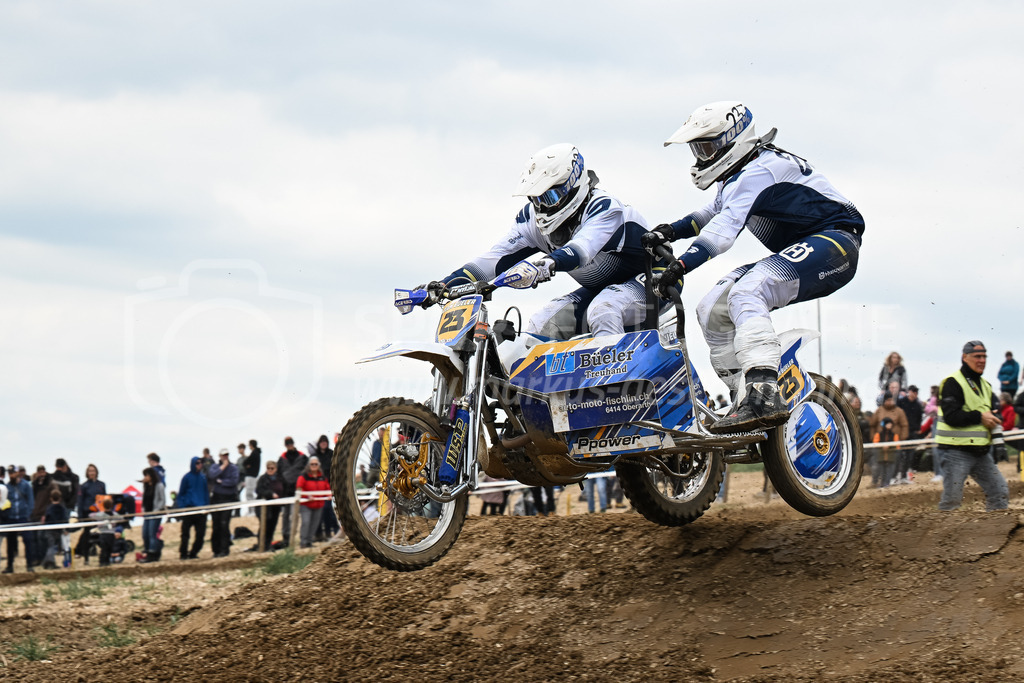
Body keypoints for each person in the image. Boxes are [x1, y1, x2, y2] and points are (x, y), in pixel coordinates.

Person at [651, 101, 864, 433]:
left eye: (707, 146)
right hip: (805, 247)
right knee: (711, 308)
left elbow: (721, 233)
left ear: (734, 139)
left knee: (749, 291)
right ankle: (745, 397)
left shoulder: (758, 171)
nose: (702, 156)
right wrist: (669, 231)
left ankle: (764, 391)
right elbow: (711, 213)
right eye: (698, 148)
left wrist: (681, 265)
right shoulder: (740, 174)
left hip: (836, 242)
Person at [421, 143, 653, 340]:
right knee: (542, 322)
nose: (542, 207)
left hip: (653, 281)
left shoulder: (603, 208)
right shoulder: (532, 220)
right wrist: (444, 284)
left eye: (549, 197)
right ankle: (543, 393)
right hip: (599, 289)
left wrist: (544, 265)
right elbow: (492, 261)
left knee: (604, 310)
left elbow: (580, 250)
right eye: (536, 198)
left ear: (573, 185)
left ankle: (615, 389)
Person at [935, 341, 1009, 511]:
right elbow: (951, 416)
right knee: (951, 501)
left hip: (981, 452)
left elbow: (995, 415)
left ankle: (994, 532)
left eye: (984, 356)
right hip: (955, 451)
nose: (982, 360)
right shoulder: (952, 383)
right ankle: (940, 537)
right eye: (977, 356)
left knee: (1000, 492)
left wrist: (998, 443)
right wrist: (980, 416)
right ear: (964, 357)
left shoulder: (986, 386)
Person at [869, 392, 908, 488]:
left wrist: (901, 439)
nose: (889, 402)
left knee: (892, 464)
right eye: (887, 400)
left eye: (891, 400)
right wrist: (874, 438)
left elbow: (904, 426)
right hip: (880, 443)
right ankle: (875, 481)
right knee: (879, 465)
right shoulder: (879, 411)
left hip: (894, 442)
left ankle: (889, 481)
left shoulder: (899, 411)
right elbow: (872, 425)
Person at [175, 456, 210, 560]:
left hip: (201, 510)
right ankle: (183, 553)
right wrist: (182, 507)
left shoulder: (203, 478)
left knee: (200, 534)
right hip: (189, 509)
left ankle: (194, 552)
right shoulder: (186, 477)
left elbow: (206, 493)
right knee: (185, 534)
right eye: (198, 463)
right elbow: (181, 494)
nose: (200, 465)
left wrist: (207, 507)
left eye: (201, 463)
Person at [208, 448, 239, 558]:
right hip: (216, 498)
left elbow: (233, 481)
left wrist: (221, 481)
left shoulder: (233, 468)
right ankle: (216, 550)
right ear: (220, 456)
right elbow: (212, 475)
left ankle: (224, 549)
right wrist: (223, 467)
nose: (225, 457)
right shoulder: (215, 467)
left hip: (228, 498)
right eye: (223, 455)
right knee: (216, 524)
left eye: (227, 455)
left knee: (224, 523)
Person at [3, 466, 35, 573]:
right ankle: (10, 566)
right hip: (11, 518)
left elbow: (31, 501)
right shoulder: (7, 487)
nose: (11, 475)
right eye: (10, 473)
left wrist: (28, 515)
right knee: (10, 543)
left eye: (13, 472)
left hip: (23, 517)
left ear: (17, 473)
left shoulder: (26, 485)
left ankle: (29, 565)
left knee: (27, 541)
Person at [309, 434, 340, 542]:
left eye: (325, 441)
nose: (323, 443)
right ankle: (318, 534)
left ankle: (331, 531)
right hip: (317, 486)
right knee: (318, 510)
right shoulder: (314, 456)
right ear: (319, 443)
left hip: (329, 485)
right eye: (321, 441)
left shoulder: (332, 453)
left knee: (328, 509)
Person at [278, 437, 308, 545]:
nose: (289, 445)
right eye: (287, 444)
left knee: (298, 515)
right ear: (285, 445)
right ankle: (286, 537)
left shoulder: (302, 457)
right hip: (286, 491)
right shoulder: (282, 458)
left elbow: (307, 471)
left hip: (299, 490)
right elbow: (279, 475)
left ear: (293, 444)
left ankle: (299, 538)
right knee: (286, 515)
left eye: (290, 443)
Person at [295, 456, 330, 548]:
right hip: (306, 504)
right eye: (312, 464)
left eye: (315, 464)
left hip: (318, 504)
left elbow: (327, 488)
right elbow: (299, 489)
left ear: (319, 465)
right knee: (306, 522)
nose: (314, 466)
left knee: (315, 524)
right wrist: (307, 496)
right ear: (308, 465)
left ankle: (309, 542)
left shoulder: (322, 477)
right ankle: (303, 542)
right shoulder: (303, 477)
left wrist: (329, 495)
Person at [74, 463, 106, 564]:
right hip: (88, 514)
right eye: (90, 471)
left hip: (99, 514)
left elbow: (104, 499)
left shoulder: (101, 485)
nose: (92, 473)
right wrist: (80, 516)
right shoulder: (84, 486)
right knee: (87, 536)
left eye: (93, 471)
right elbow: (80, 501)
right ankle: (85, 556)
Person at [254, 460, 285, 550]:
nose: (270, 470)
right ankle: (261, 545)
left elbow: (286, 489)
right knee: (264, 525)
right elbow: (258, 490)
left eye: (272, 468)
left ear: (276, 469)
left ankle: (268, 544)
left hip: (276, 506)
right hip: (264, 506)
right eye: (268, 468)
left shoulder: (280, 478)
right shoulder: (262, 478)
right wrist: (270, 493)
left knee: (272, 526)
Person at [896, 385, 924, 483]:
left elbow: (920, 418)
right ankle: (898, 475)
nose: (914, 395)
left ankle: (904, 476)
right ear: (909, 392)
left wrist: (918, 429)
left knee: (910, 455)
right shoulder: (901, 402)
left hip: (913, 433)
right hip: (902, 432)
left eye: (916, 393)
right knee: (900, 455)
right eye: (913, 392)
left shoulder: (918, 405)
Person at [138, 467, 166, 563]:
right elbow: (144, 500)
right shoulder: (146, 486)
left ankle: (152, 553)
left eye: (146, 475)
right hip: (147, 513)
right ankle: (148, 550)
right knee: (145, 534)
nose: (145, 477)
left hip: (155, 513)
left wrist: (156, 510)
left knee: (152, 533)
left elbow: (162, 500)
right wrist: (143, 510)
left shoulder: (159, 485)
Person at [41, 488, 68, 569]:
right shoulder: (62, 508)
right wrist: (66, 529)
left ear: (51, 498)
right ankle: (50, 562)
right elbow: (65, 519)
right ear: (60, 498)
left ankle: (47, 562)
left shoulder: (49, 508)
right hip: (57, 531)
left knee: (50, 546)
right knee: (52, 547)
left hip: (49, 530)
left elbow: (47, 518)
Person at [90, 498, 117, 567]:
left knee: (104, 549)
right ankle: (107, 561)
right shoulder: (114, 514)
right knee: (109, 549)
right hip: (111, 534)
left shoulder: (100, 514)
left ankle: (102, 562)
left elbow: (91, 515)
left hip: (103, 534)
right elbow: (122, 518)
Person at [242, 440, 261, 513]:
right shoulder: (256, 453)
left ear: (251, 445)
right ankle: (251, 510)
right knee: (251, 492)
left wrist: (247, 465)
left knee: (249, 493)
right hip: (253, 475)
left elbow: (246, 462)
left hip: (251, 475)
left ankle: (252, 510)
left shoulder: (254, 453)